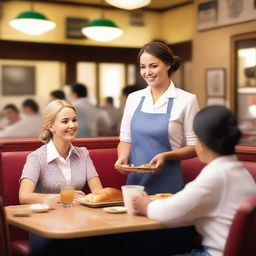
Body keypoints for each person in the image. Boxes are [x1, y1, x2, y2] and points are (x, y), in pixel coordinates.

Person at [131, 105, 256, 256]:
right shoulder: (241, 172)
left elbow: (168, 212)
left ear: (202, 144)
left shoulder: (216, 174)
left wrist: (146, 206)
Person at [115, 41, 200, 255]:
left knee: (165, 244)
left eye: (153, 66)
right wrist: (122, 158)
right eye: (143, 67)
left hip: (169, 184)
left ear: (168, 64)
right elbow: (125, 138)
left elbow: (195, 147)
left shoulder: (186, 100)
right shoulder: (134, 99)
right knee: (135, 245)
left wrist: (166, 155)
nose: (147, 72)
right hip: (135, 183)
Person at [19, 99, 103, 256]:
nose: (72, 125)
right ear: (51, 126)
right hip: (45, 228)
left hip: (79, 225)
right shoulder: (36, 157)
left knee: (112, 240)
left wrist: (91, 199)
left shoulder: (83, 154)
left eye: (74, 120)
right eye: (65, 121)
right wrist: (61, 197)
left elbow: (99, 192)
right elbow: (24, 196)